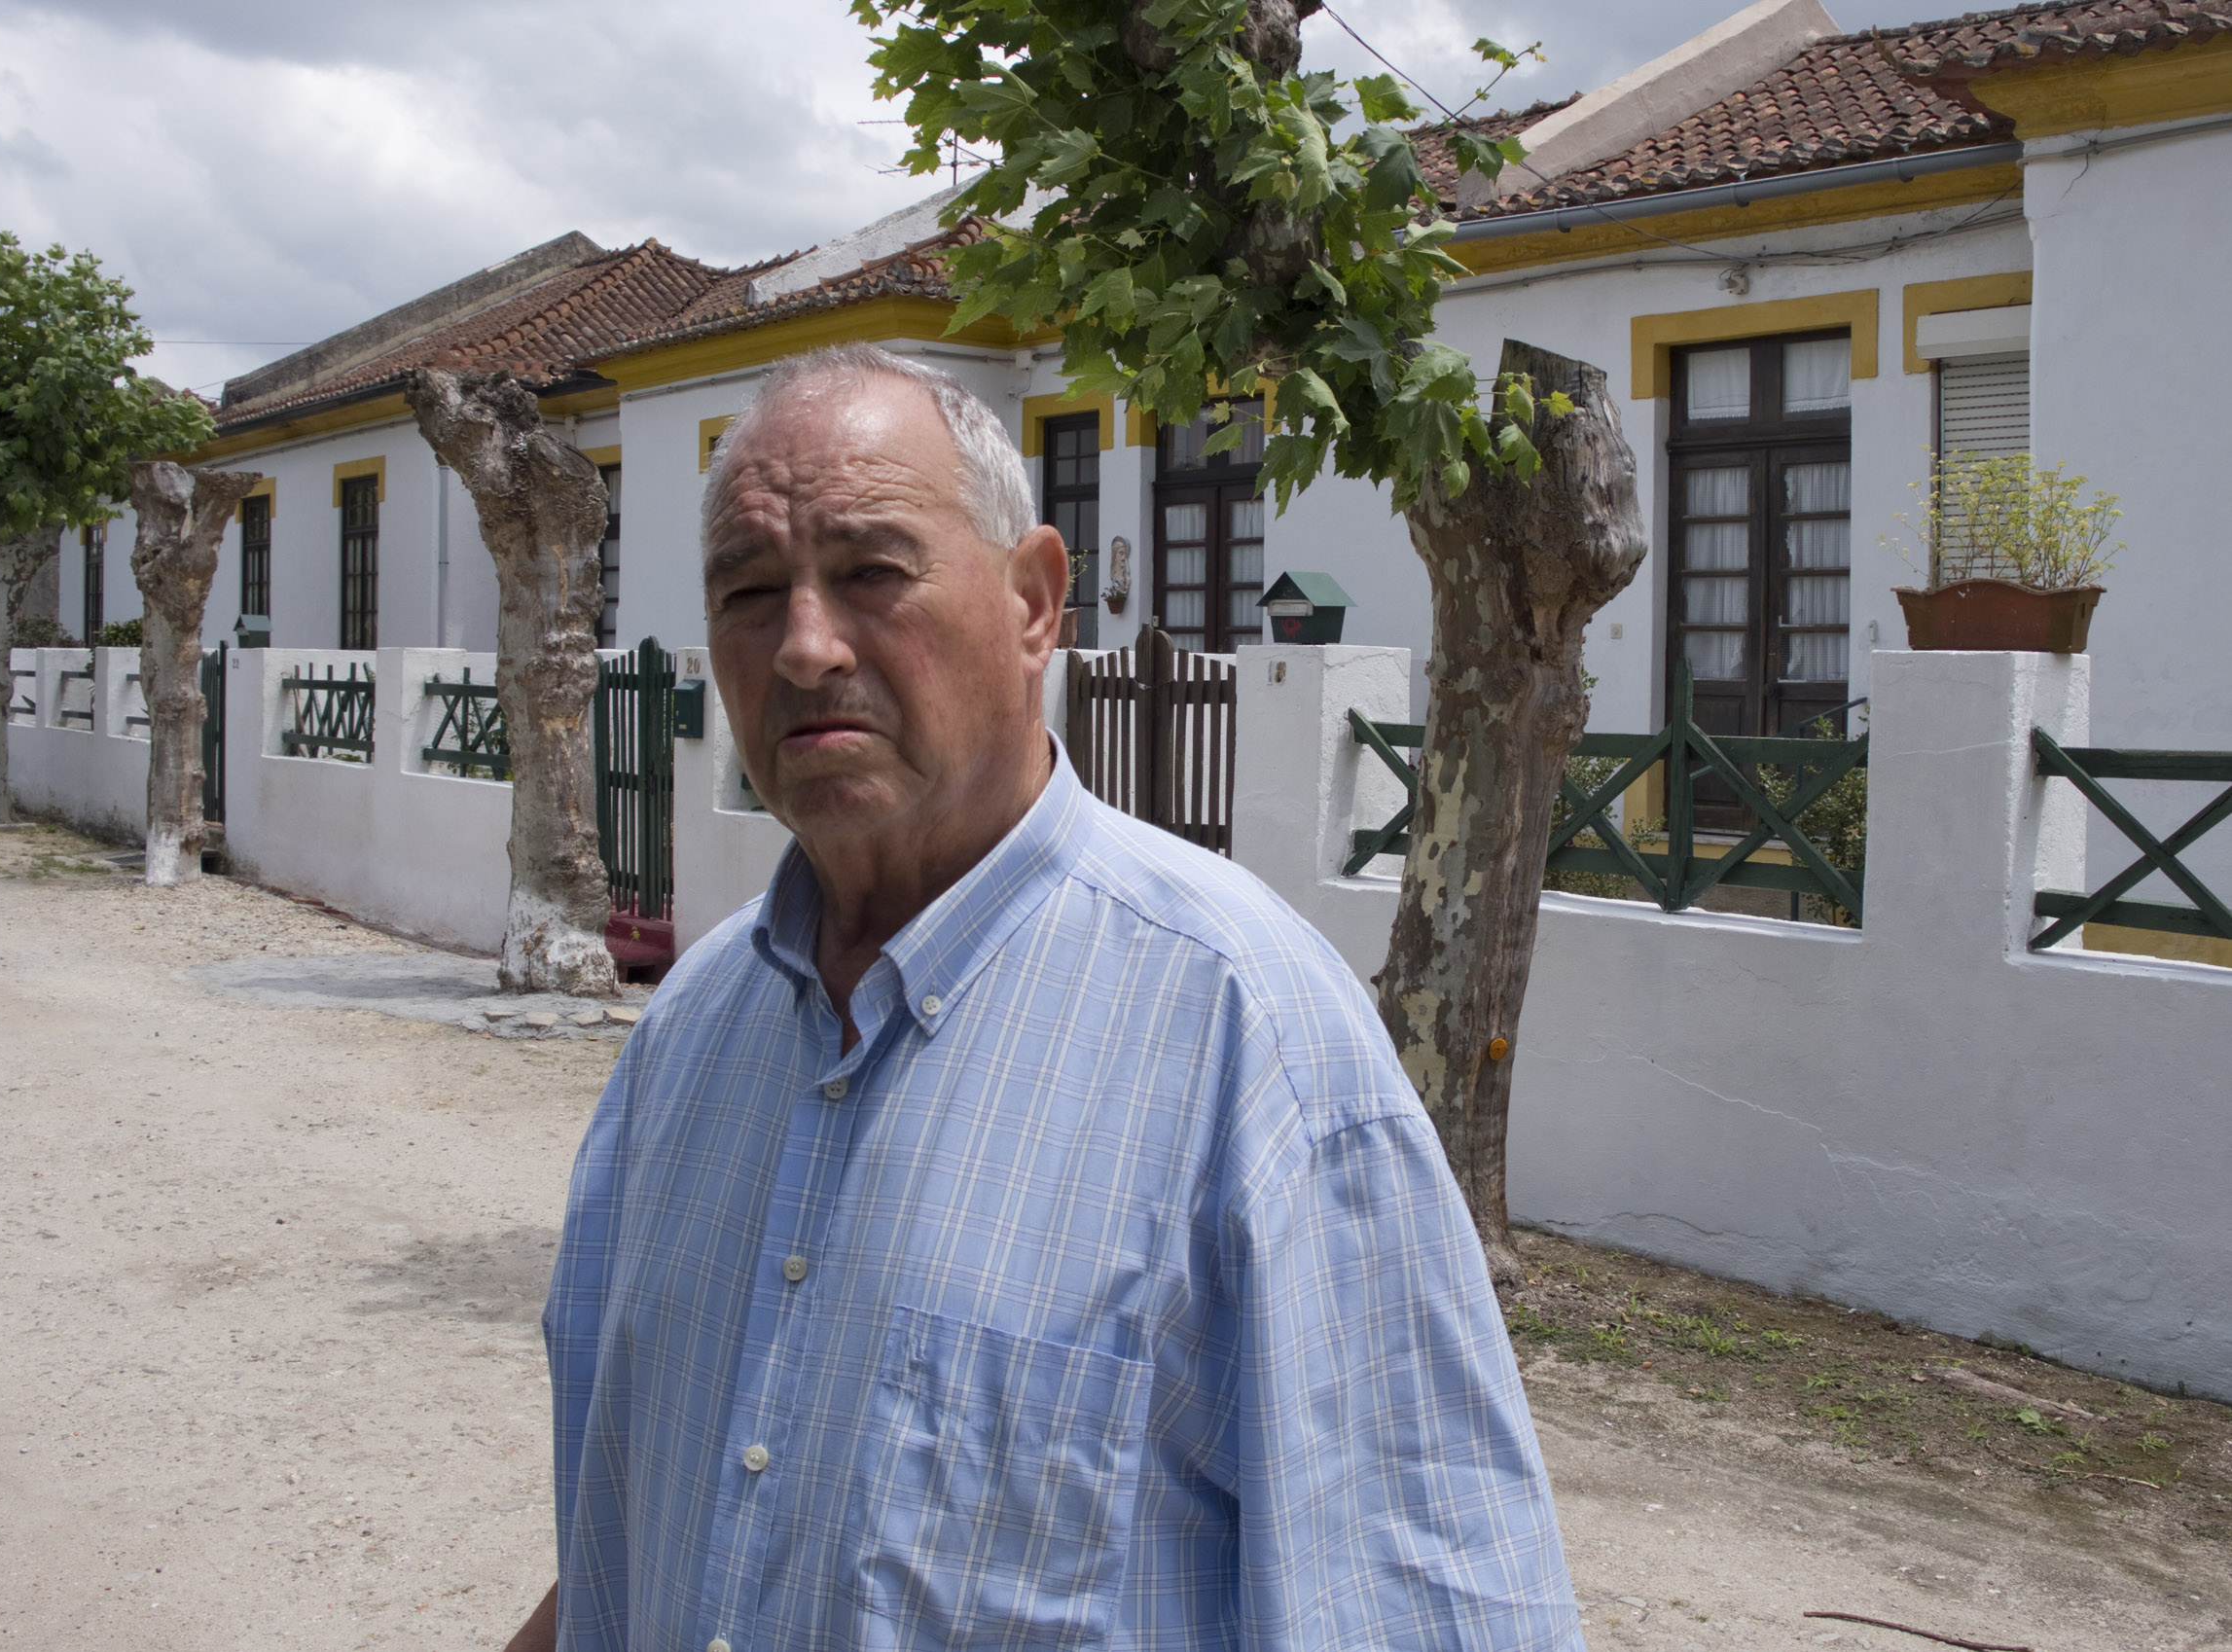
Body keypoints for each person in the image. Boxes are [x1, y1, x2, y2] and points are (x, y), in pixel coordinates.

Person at [512, 343, 1581, 1651]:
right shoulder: (689, 1031)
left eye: (872, 572)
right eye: (748, 591)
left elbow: (1423, 1611)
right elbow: (632, 1534)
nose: (802, 647)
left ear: (1034, 602)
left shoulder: (1248, 1036)